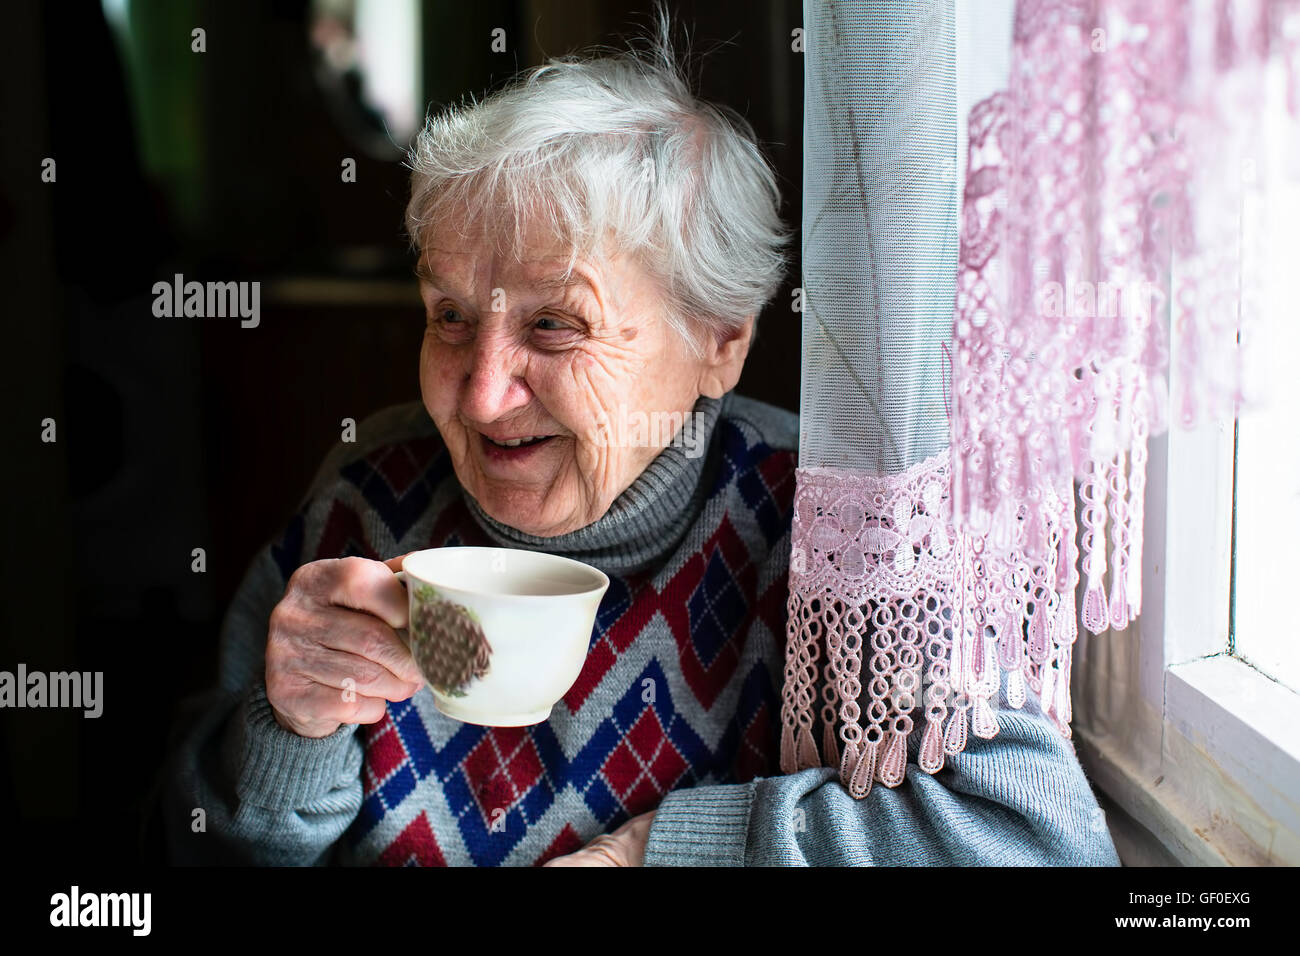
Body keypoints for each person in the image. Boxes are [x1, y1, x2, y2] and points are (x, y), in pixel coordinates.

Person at [160, 17, 1120, 867]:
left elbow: (1038, 840)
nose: (486, 396)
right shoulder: (365, 497)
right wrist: (290, 728)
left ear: (720, 340)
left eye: (554, 327)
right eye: (450, 316)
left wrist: (660, 850)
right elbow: (193, 846)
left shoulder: (833, 533)